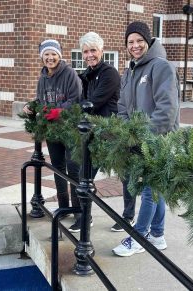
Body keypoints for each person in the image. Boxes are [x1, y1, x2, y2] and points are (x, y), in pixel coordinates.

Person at [112, 21, 180, 256]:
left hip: (158, 141)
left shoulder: (161, 67)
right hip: (137, 141)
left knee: (151, 190)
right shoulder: (130, 70)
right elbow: (122, 107)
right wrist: (126, 133)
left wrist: (145, 137)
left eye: (139, 40)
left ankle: (138, 237)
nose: (135, 45)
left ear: (148, 41)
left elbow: (166, 110)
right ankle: (158, 235)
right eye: (130, 42)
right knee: (155, 188)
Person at [68, 31, 121, 232]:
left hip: (108, 133)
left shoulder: (109, 74)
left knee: (126, 176)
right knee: (84, 175)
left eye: (93, 50)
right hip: (92, 133)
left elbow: (92, 103)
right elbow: (75, 97)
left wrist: (74, 109)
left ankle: (128, 216)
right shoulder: (87, 75)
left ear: (101, 51)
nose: (89, 55)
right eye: (86, 51)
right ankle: (86, 216)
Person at [23, 39, 82, 211]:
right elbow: (42, 100)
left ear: (59, 56)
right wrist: (31, 105)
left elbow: (76, 100)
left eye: (53, 54)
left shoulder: (70, 74)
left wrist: (59, 111)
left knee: (74, 168)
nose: (50, 58)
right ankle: (63, 207)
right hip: (52, 130)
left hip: (70, 129)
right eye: (46, 54)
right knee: (58, 167)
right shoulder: (42, 78)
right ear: (42, 57)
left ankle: (78, 210)